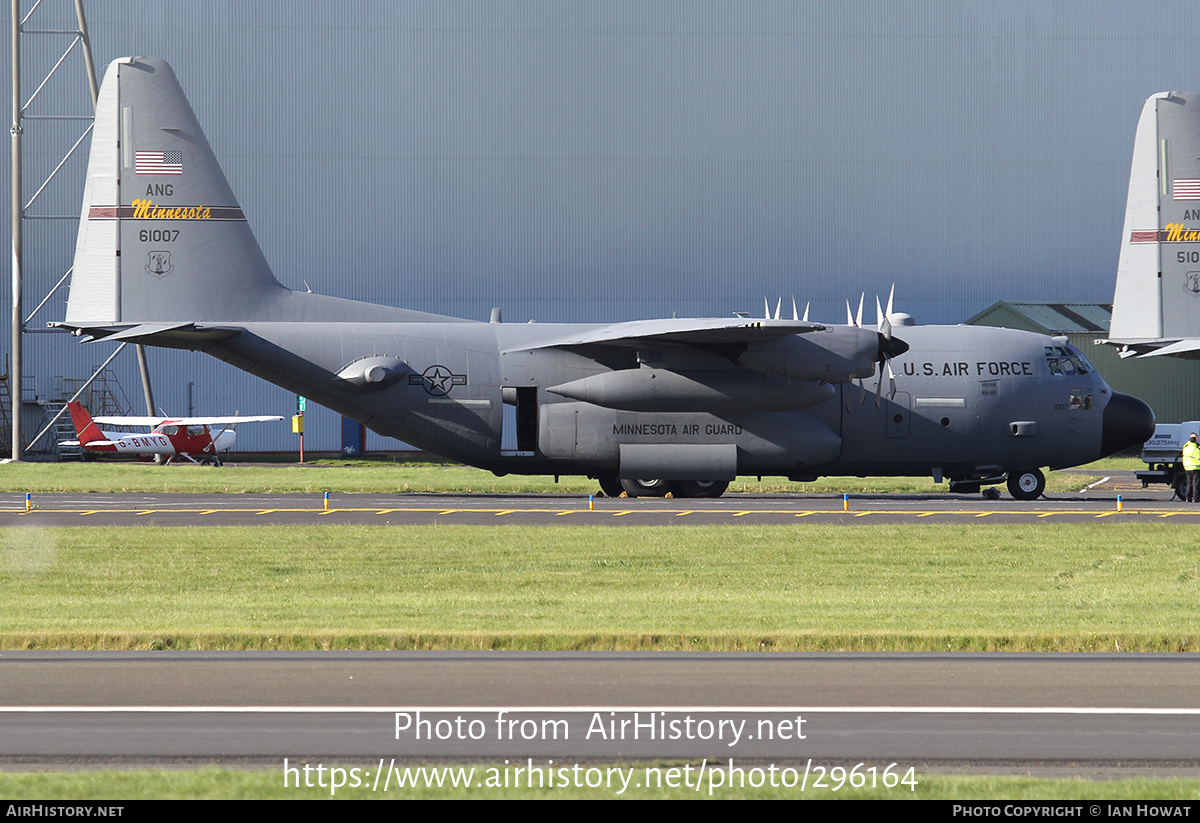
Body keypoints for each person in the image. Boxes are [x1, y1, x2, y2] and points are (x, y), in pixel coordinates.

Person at [1183, 433, 1200, 502]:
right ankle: (1196, 498)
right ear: (1196, 439)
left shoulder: (1186, 447)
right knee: (1196, 483)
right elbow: (1198, 460)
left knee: (1189, 483)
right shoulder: (1196, 450)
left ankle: (1188, 498)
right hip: (1195, 468)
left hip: (1187, 468)